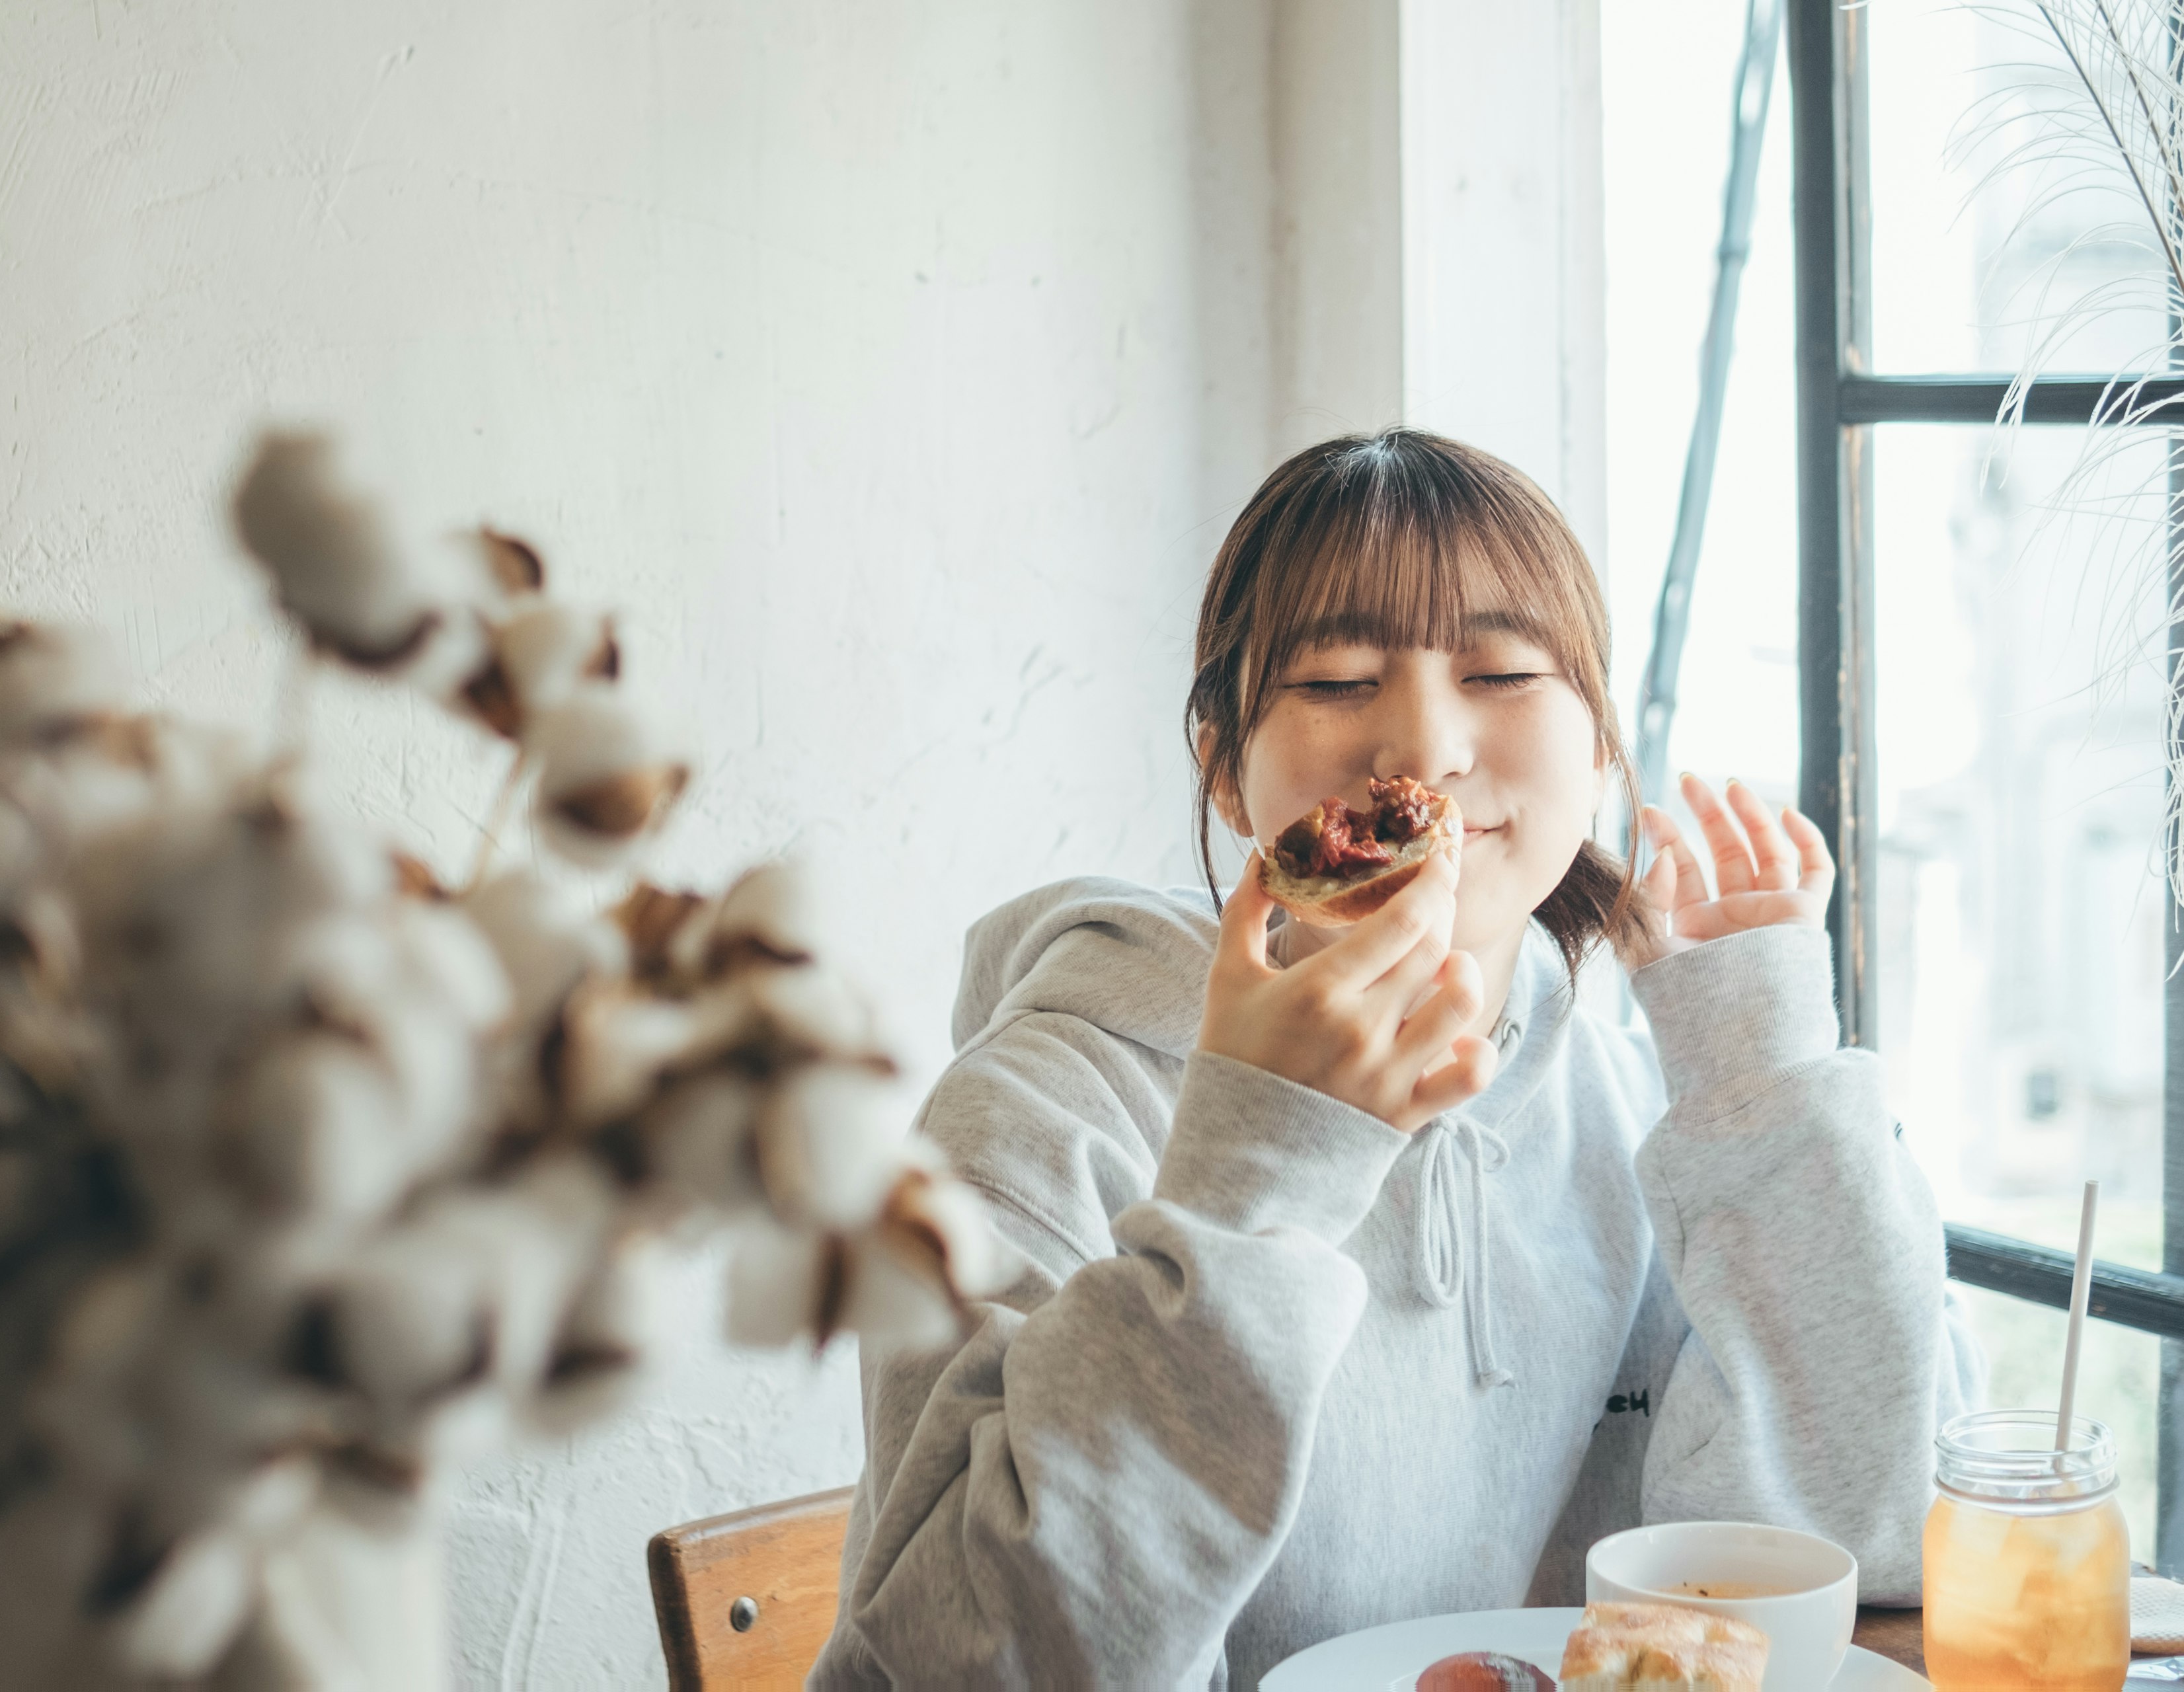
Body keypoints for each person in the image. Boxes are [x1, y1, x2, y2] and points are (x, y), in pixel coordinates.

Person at [807, 430, 1980, 1691]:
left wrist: (1767, 1095)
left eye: (1506, 670)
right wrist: (1257, 1167)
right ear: (1222, 767)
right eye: (1333, 680)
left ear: (1598, 754)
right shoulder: (1039, 1120)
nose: (1423, 750)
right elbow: (954, 1670)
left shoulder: (1642, 1111)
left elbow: (1857, 1547)